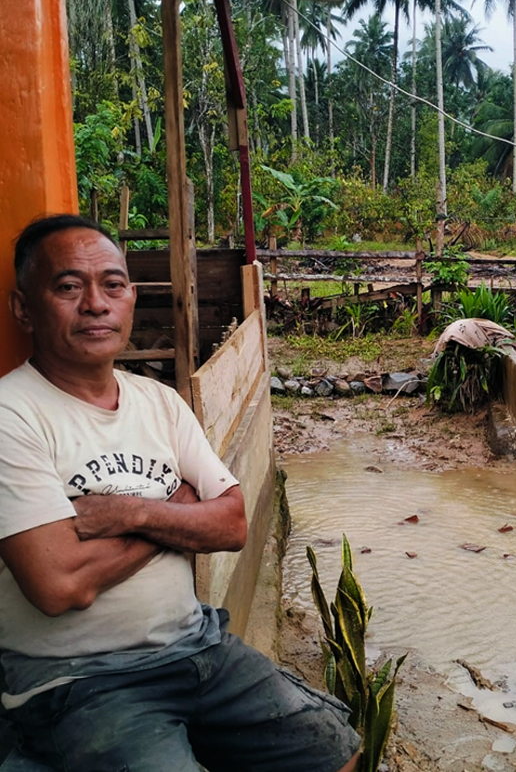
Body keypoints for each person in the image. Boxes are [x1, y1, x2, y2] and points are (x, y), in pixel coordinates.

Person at [0, 215, 360, 771]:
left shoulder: (160, 403)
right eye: (69, 287)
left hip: (197, 645)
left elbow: (233, 525)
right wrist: (178, 514)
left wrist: (130, 512)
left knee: (332, 745)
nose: (96, 303)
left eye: (113, 285)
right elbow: (58, 584)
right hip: (81, 680)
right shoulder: (12, 415)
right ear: (23, 307)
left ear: (131, 297)